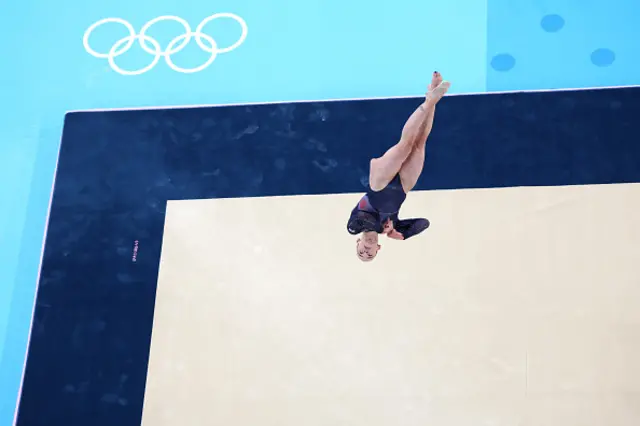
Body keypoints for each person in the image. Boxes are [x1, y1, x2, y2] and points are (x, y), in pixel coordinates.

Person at [347, 72, 450, 262]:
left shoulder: (353, 227)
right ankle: (433, 95)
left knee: (405, 145)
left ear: (358, 243)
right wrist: (402, 234)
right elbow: (424, 223)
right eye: (370, 254)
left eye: (361, 251)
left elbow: (366, 219)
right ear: (379, 248)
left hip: (379, 183)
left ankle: (428, 102)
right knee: (420, 143)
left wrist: (384, 227)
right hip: (402, 188)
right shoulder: (391, 228)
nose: (366, 250)